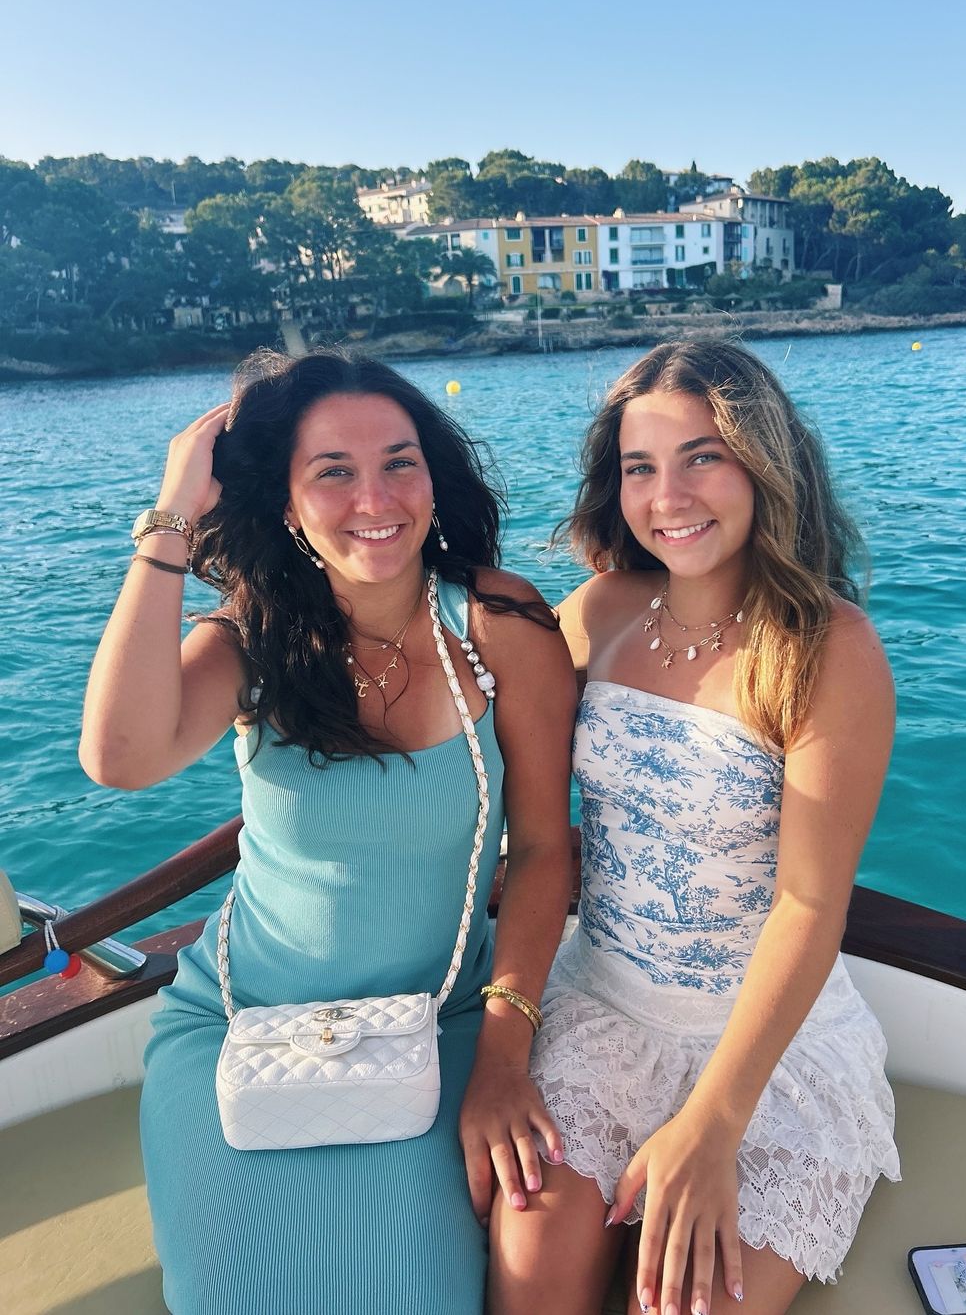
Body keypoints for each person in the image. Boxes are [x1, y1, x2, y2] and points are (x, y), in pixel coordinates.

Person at [79, 349, 576, 1314]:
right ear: (285, 502)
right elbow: (119, 757)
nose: (374, 499)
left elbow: (546, 853)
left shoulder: (496, 622)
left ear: (433, 476)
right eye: (333, 472)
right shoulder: (249, 640)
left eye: (399, 462)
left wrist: (503, 1056)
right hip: (238, 1026)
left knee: (421, 1294)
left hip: (441, 1024)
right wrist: (173, 514)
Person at [488, 340, 900, 1315]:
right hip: (602, 1016)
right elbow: (479, 722)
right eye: (640, 467)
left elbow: (810, 905)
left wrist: (713, 1129)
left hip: (769, 1057)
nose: (667, 495)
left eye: (701, 457)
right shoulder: (601, 611)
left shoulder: (827, 649)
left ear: (765, 464)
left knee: (681, 1307)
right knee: (528, 1280)